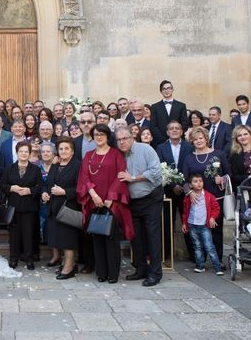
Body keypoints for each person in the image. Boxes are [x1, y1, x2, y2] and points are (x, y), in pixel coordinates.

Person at [76, 124, 133, 284]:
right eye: (96, 135)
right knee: (97, 237)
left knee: (111, 238)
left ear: (108, 136)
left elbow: (120, 176)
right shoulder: (88, 155)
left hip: (111, 203)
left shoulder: (116, 154)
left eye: (102, 134)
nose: (99, 137)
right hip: (94, 202)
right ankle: (101, 272)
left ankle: (113, 273)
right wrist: (93, 195)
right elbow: (84, 177)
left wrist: (110, 198)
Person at [115, 126, 164, 287]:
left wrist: (133, 178)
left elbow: (156, 172)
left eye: (125, 138)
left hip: (150, 199)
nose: (122, 142)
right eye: (119, 139)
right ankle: (141, 268)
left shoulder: (146, 150)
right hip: (132, 202)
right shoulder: (118, 154)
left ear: (132, 138)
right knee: (136, 237)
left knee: (153, 236)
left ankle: (155, 273)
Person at [183, 126, 230, 261]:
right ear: (192, 141)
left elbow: (229, 174)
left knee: (216, 230)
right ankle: (200, 260)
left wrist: (222, 179)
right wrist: (190, 192)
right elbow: (184, 179)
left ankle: (218, 260)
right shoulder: (189, 158)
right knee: (198, 230)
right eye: (195, 139)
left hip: (216, 198)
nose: (198, 141)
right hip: (197, 200)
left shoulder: (219, 154)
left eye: (200, 138)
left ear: (206, 139)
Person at [41, 137, 81, 280]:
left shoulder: (78, 165)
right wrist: (44, 193)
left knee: (68, 238)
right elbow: (47, 184)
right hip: (53, 207)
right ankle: (67, 263)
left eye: (66, 148)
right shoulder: (55, 165)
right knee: (59, 238)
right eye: (61, 148)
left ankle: (69, 267)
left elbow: (81, 188)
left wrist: (65, 192)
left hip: (69, 207)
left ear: (72, 151)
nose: (63, 151)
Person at [156, 120, 195, 261]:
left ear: (181, 131)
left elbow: (191, 167)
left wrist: (184, 185)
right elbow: (160, 168)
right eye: (171, 128)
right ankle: (166, 254)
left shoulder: (189, 147)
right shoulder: (160, 148)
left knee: (189, 222)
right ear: (167, 132)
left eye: (177, 128)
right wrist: (173, 186)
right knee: (166, 223)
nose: (174, 130)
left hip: (186, 190)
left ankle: (193, 254)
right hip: (168, 190)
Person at [0, 141, 42, 270]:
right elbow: (2, 185)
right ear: (17, 153)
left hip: (30, 206)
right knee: (14, 234)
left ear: (29, 154)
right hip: (14, 206)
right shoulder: (9, 168)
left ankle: (29, 258)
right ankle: (14, 258)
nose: (23, 154)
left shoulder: (35, 169)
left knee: (29, 233)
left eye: (26, 152)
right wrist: (12, 188)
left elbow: (40, 187)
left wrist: (30, 191)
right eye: (21, 151)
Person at [181, 174, 224, 274]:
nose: (199, 183)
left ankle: (217, 267)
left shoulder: (209, 196)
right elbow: (185, 212)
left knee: (209, 246)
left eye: (200, 181)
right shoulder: (188, 198)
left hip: (204, 225)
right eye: (195, 181)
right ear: (190, 185)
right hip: (192, 224)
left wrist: (212, 218)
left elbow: (216, 208)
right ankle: (200, 266)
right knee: (197, 246)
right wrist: (184, 223)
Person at [150, 80, 188, 144]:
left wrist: (175, 137)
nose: (166, 91)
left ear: (172, 90)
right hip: (160, 142)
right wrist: (163, 140)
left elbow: (184, 124)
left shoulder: (181, 106)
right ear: (161, 91)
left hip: (178, 141)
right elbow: (153, 126)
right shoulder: (154, 107)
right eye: (164, 89)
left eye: (168, 88)